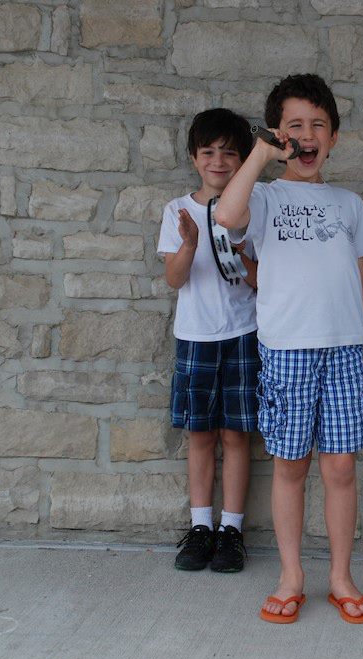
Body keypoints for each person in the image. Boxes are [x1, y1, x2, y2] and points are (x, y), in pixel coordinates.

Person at [213, 74, 363, 624]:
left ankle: (340, 577)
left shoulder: (348, 204)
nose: (307, 134)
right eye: (295, 125)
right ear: (278, 134)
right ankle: (291, 575)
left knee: (340, 468)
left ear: (334, 136)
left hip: (343, 351)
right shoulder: (265, 196)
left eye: (319, 124)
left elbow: (361, 281)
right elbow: (226, 216)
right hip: (288, 351)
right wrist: (261, 154)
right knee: (291, 466)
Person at [157, 108, 259, 574]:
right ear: (194, 157)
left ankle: (231, 530)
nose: (218, 161)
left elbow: (261, 280)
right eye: (209, 152)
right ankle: (200, 527)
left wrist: (237, 248)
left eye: (229, 153)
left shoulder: (251, 209)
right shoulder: (177, 211)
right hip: (196, 336)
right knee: (200, 434)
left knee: (236, 434)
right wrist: (190, 243)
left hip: (242, 333)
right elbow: (174, 279)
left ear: (243, 160)